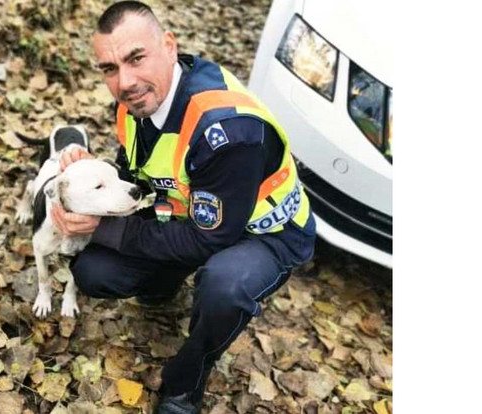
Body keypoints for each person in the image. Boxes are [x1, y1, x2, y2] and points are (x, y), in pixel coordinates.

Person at [50, 2, 316, 413]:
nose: (124, 81)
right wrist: (89, 177)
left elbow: (210, 237)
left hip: (266, 233)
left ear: (169, 46)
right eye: (109, 68)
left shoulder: (227, 132)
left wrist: (100, 228)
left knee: (223, 286)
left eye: (136, 58)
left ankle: (186, 383)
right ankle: (163, 284)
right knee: (93, 270)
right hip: (190, 214)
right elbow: (137, 175)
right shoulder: (136, 100)